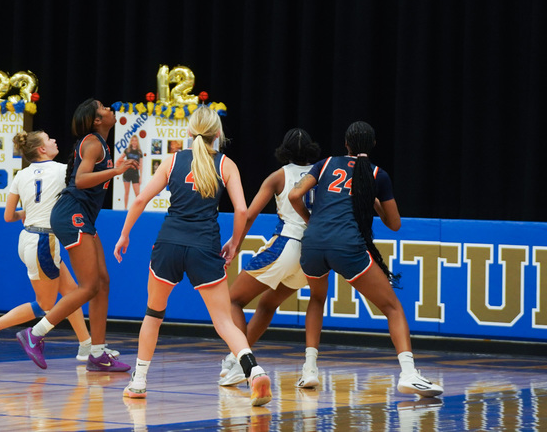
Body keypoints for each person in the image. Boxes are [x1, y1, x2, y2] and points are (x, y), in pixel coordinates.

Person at [114, 105, 273, 407]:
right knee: (224, 322)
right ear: (218, 134)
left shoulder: (172, 161)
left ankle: (139, 382)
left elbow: (141, 200)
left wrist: (124, 234)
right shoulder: (226, 164)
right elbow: (241, 209)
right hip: (205, 246)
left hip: (169, 245)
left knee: (153, 315)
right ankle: (255, 372)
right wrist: (235, 243)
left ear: (189, 132)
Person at [287, 121, 443, 398]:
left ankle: (309, 370)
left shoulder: (324, 164)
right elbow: (394, 224)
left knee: (316, 300)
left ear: (345, 144)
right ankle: (408, 373)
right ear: (372, 146)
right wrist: (372, 200)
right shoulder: (376, 174)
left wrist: (310, 220)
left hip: (312, 244)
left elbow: (295, 194)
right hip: (346, 246)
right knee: (392, 308)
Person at [0, 129, 118, 363]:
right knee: (46, 304)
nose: (55, 140)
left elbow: (8, 216)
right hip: (45, 242)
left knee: (72, 293)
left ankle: (86, 345)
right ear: (42, 149)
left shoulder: (21, 175)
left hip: (28, 237)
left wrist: (27, 212)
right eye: (50, 139)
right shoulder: (62, 170)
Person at [16, 99, 136, 372]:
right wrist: (115, 171)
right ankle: (34, 334)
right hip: (72, 215)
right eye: (104, 107)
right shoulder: (92, 142)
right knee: (89, 286)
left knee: (102, 282)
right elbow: (81, 180)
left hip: (83, 217)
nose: (110, 109)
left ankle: (97, 352)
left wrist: (110, 168)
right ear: (95, 119)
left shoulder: (100, 145)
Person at [217, 128, 320, 388]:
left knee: (233, 300)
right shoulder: (321, 173)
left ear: (283, 150)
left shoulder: (279, 176)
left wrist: (236, 243)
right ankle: (238, 359)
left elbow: (249, 214)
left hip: (285, 244)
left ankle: (241, 361)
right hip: (310, 254)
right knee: (268, 304)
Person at [121, 135, 143, 209]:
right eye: (133, 140)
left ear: (137, 142)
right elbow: (120, 159)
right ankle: (125, 208)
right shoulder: (127, 150)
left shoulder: (139, 152)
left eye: (135, 140)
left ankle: (138, 209)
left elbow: (141, 165)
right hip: (127, 173)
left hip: (135, 174)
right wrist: (127, 162)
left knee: (137, 194)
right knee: (126, 192)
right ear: (131, 141)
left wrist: (140, 177)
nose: (134, 142)